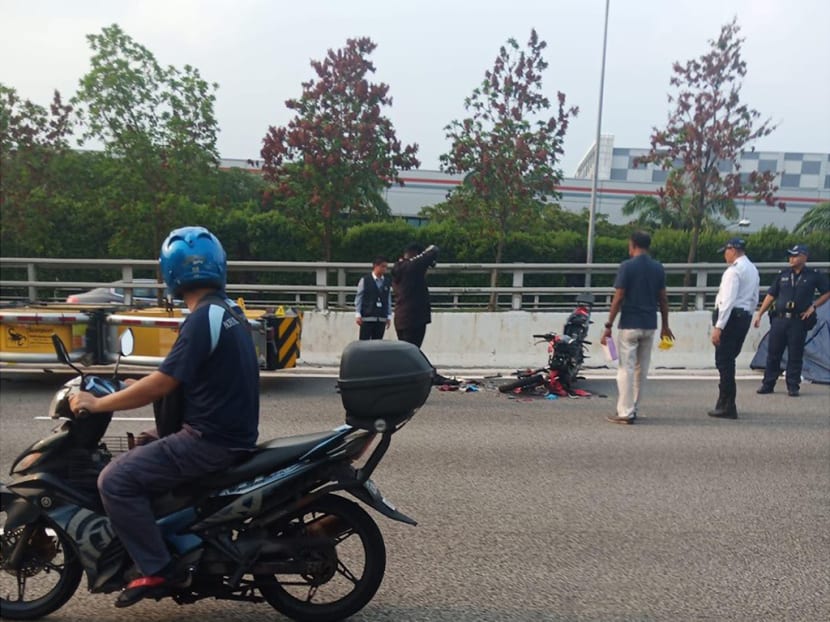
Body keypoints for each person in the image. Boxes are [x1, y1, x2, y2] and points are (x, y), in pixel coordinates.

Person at [70, 226, 260, 607]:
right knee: (142, 444)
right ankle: (170, 534)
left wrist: (97, 404)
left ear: (171, 274)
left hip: (209, 440)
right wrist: (133, 382)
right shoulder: (228, 312)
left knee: (115, 481)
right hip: (225, 432)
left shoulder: (202, 317)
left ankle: (157, 567)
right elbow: (188, 375)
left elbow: (163, 384)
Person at [600, 231, 674, 424]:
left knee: (626, 368)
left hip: (630, 325)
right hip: (650, 325)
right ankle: (633, 407)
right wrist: (665, 325)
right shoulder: (658, 268)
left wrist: (608, 324)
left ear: (632, 245)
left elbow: (618, 297)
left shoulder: (627, 267)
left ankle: (625, 412)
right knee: (642, 369)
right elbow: (663, 299)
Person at [753, 244, 830, 397]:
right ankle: (768, 383)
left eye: (795, 255)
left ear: (804, 257)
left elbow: (827, 292)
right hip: (780, 320)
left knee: (795, 354)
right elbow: (771, 295)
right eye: (790, 256)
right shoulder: (783, 275)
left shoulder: (813, 275)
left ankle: (793, 386)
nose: (791, 258)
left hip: (798, 320)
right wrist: (760, 313)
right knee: (773, 353)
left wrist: (813, 307)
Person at [708, 237, 759, 419]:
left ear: (733, 250)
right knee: (729, 359)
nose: (725, 254)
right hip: (743, 318)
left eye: (726, 250)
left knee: (724, 362)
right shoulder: (752, 268)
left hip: (730, 319)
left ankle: (727, 404)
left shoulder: (733, 271)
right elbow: (754, 299)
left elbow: (727, 301)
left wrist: (719, 327)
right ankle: (725, 403)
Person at [391, 242, 439, 348]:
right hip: (415, 318)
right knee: (413, 352)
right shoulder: (412, 267)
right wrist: (424, 255)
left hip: (400, 318)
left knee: (405, 352)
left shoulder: (399, 268)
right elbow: (433, 250)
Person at [354, 256, 393, 340]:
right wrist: (358, 314)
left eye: (386, 267)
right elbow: (359, 297)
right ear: (376, 266)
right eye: (383, 266)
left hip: (381, 317)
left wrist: (389, 315)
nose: (385, 269)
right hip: (367, 317)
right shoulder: (365, 280)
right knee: (364, 343)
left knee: (378, 343)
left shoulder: (387, 281)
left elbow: (388, 299)